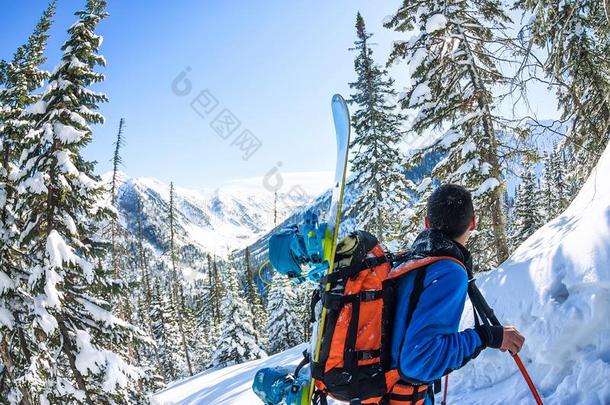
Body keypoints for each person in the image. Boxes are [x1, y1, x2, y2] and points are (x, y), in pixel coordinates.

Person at [390, 184, 524, 403]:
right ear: (473, 222)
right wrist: (488, 336)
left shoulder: (411, 262)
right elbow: (420, 359)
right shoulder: (447, 272)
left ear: (427, 223)